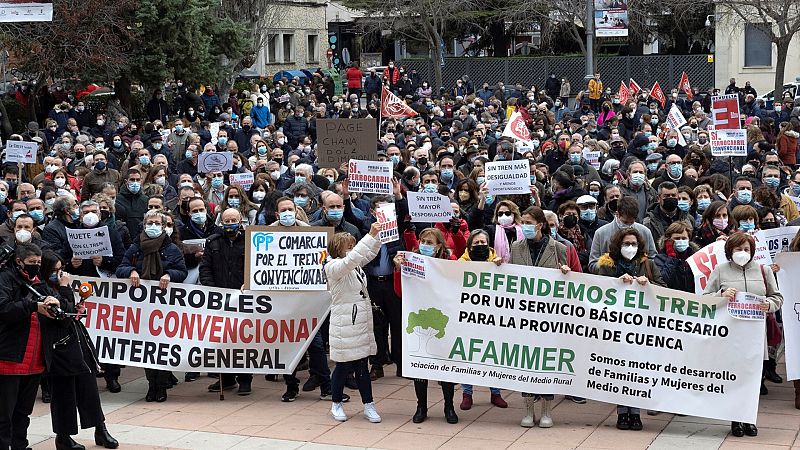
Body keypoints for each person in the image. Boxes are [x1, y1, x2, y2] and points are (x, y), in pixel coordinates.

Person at [703, 232, 782, 438]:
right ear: (730, 251)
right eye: (738, 249)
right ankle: (735, 419)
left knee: (753, 380)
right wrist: (721, 295)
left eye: (746, 249)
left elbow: (777, 297)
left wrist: (769, 305)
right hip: (731, 334)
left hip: (756, 335)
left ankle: (749, 419)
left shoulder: (764, 270)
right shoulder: (720, 270)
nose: (742, 253)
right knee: (735, 379)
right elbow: (704, 298)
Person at [38, 250, 118, 450]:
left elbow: (68, 312)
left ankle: (100, 429)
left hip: (77, 343)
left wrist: (77, 309)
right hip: (59, 348)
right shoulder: (41, 289)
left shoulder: (57, 287)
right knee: (64, 393)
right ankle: (63, 437)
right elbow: (60, 316)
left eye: (61, 269)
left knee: (89, 388)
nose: (60, 273)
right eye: (55, 270)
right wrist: (66, 291)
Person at [595, 228, 664, 431]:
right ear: (618, 245)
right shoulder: (607, 265)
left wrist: (648, 284)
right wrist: (616, 283)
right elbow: (598, 289)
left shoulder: (647, 264)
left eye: (634, 244)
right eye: (626, 244)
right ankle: (622, 413)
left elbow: (663, 287)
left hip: (641, 327)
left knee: (636, 369)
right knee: (620, 370)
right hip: (616, 327)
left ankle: (635, 413)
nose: (630, 248)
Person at [116, 209, 187, 403]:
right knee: (147, 348)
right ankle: (151, 385)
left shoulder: (172, 249)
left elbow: (182, 272)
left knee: (162, 347)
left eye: (157, 223)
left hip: (165, 307)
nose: (153, 226)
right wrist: (131, 271)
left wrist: (169, 275)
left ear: (164, 227)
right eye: (150, 223)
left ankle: (162, 386)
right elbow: (120, 267)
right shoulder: (136, 247)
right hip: (142, 307)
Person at [510, 206, 572, 428]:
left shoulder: (559, 248)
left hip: (549, 317)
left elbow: (571, 280)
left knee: (547, 361)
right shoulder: (516, 247)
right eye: (522, 221)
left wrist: (566, 273)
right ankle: (528, 410)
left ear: (540, 224)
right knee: (525, 360)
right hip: (525, 315)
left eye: (528, 221)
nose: (524, 225)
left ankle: (546, 410)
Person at [0, 243, 64, 450]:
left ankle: (20, 445)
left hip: (34, 360)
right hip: (9, 359)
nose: (36, 266)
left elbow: (57, 306)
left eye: (38, 263)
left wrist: (58, 301)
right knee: (4, 414)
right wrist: (33, 306)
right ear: (19, 262)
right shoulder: (5, 278)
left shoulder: (39, 282)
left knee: (23, 411)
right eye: (31, 263)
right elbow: (4, 309)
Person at [393, 228, 458, 425]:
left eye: (430, 243)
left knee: (445, 365)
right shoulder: (411, 261)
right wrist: (398, 270)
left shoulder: (451, 261)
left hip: (442, 321)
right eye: (422, 241)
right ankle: (421, 406)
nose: (425, 245)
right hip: (420, 320)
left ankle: (449, 406)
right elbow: (399, 292)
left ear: (439, 246)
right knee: (420, 364)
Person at [326, 222, 384, 423]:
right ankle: (336, 404)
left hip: (359, 322)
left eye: (352, 245)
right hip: (344, 324)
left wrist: (379, 236)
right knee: (342, 367)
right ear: (338, 249)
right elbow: (352, 259)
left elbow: (368, 253)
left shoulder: (354, 265)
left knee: (361, 365)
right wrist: (369, 234)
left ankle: (369, 405)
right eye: (348, 246)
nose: (351, 249)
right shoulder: (333, 267)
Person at [199, 208, 252, 395]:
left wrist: (249, 284)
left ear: (240, 221)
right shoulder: (213, 242)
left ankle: (245, 380)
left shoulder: (249, 241)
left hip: (242, 298)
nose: (230, 223)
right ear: (222, 222)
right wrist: (212, 289)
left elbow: (255, 267)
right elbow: (205, 268)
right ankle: (226, 379)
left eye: (234, 220)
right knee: (221, 341)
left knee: (243, 342)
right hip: (220, 298)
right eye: (227, 220)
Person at [457, 229, 507, 410]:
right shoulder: (460, 264)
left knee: (492, 355)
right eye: (476, 243)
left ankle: (496, 392)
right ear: (469, 246)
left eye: (483, 243)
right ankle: (467, 393)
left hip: (491, 317)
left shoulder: (497, 263)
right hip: (469, 318)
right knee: (468, 355)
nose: (480, 246)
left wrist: (500, 268)